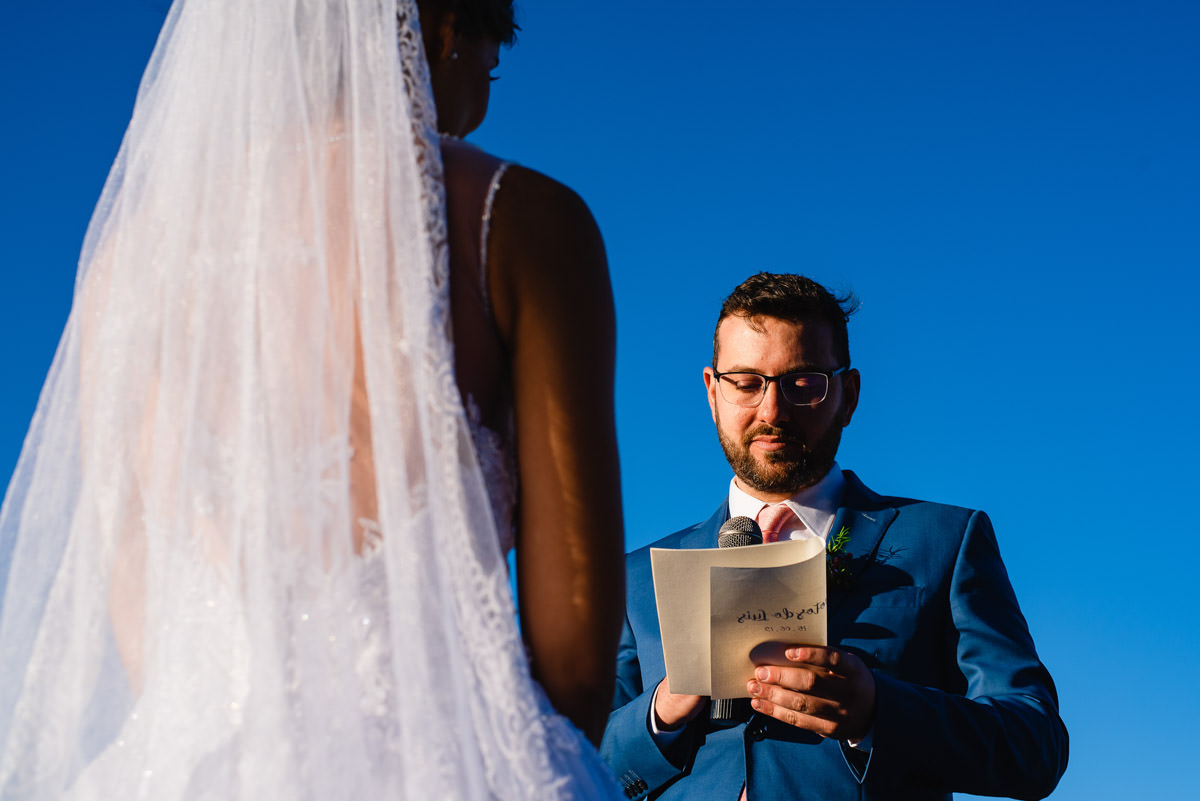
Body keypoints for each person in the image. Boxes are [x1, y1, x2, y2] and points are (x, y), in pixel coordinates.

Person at [0, 0, 623, 798]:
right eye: (488, 68)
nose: (481, 103)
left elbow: (145, 636)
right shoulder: (521, 220)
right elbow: (573, 660)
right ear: (440, 34)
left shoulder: (124, 266)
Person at [600, 273, 1067, 800]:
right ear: (713, 392)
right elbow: (574, 767)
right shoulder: (635, 579)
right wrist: (660, 712)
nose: (772, 411)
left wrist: (876, 711)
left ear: (848, 395)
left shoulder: (948, 540)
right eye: (747, 382)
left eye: (802, 382)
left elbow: (1034, 747)